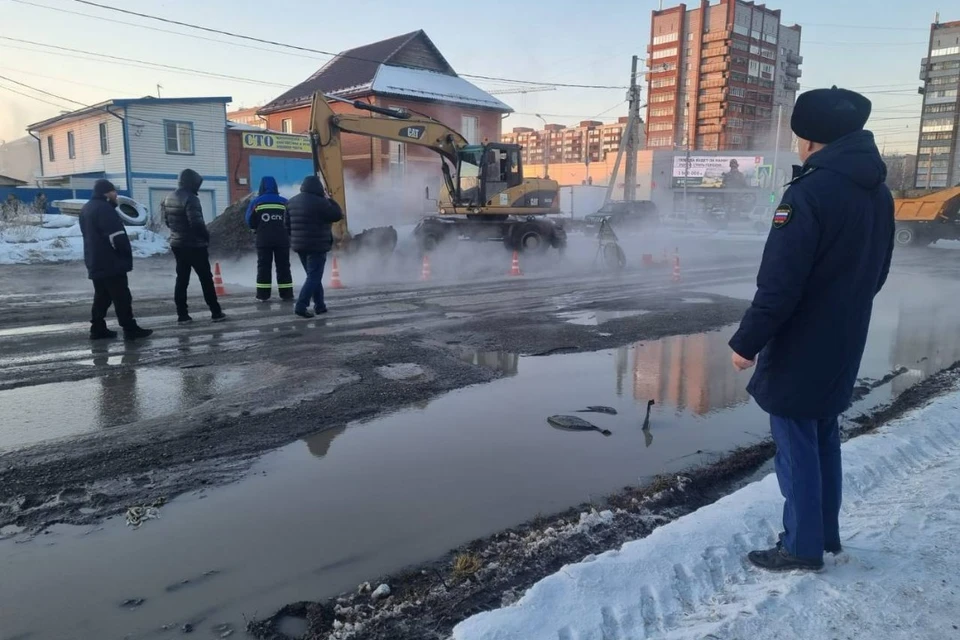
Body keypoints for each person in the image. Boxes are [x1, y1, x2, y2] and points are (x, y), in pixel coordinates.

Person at [728, 86, 895, 572]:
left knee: (796, 443)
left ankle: (801, 546)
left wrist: (746, 343)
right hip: (846, 335)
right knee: (823, 434)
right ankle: (824, 534)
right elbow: (878, 272)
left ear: (809, 139)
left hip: (802, 342)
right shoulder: (878, 193)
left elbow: (780, 284)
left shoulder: (809, 193)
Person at [79, 179, 152, 340]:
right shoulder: (105, 210)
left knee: (102, 295)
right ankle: (129, 328)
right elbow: (116, 236)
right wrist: (125, 253)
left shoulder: (86, 208)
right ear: (106, 193)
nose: (116, 195)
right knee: (122, 296)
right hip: (111, 261)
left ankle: (97, 327)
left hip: (94, 259)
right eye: (113, 192)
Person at [161, 168, 226, 324]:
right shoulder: (191, 199)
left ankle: (182, 315)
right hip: (195, 246)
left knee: (182, 279)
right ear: (192, 183)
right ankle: (216, 312)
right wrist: (206, 236)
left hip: (177, 243)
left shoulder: (168, 198)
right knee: (206, 279)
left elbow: (167, 222)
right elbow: (196, 223)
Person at [285, 175, 343, 318]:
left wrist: (296, 238)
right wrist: (329, 198)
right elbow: (337, 215)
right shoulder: (321, 202)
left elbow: (286, 226)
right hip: (317, 246)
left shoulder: (291, 202)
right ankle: (301, 305)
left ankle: (320, 306)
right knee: (314, 277)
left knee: (312, 277)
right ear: (318, 188)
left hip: (300, 246)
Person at [245, 176, 293, 302]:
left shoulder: (257, 202)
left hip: (263, 240)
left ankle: (263, 295)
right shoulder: (284, 202)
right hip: (282, 240)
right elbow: (291, 220)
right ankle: (286, 294)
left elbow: (249, 221)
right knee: (283, 267)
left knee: (263, 267)